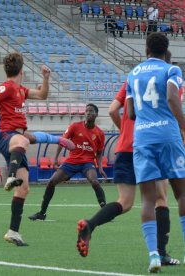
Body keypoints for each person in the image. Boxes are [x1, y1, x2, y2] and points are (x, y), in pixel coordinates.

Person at [76, 52, 181, 267]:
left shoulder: (132, 79)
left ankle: (90, 224)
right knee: (160, 199)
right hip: (151, 142)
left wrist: (125, 131)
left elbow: (113, 109)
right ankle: (160, 253)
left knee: (125, 201)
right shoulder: (166, 76)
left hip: (125, 147)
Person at [0, 53, 75, 246]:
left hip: (16, 139)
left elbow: (42, 95)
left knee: (23, 189)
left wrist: (46, 79)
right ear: (22, 70)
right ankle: (10, 177)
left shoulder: (20, 90)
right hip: (6, 136)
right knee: (22, 142)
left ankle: (13, 232)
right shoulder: (6, 87)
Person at [126, 33, 185, 273]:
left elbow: (130, 113)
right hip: (167, 136)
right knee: (181, 194)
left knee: (148, 199)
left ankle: (153, 256)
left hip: (142, 138)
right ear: (166, 49)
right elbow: (172, 96)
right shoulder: (172, 70)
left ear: (146, 49)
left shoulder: (132, 74)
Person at [28, 104, 107, 222]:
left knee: (94, 181)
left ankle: (105, 212)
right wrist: (55, 158)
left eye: (91, 111)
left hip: (87, 163)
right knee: (51, 182)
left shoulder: (100, 133)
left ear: (96, 114)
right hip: (71, 162)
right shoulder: (75, 127)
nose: (88, 113)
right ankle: (42, 213)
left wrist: (100, 167)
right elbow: (62, 141)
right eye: (86, 111)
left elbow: (99, 153)